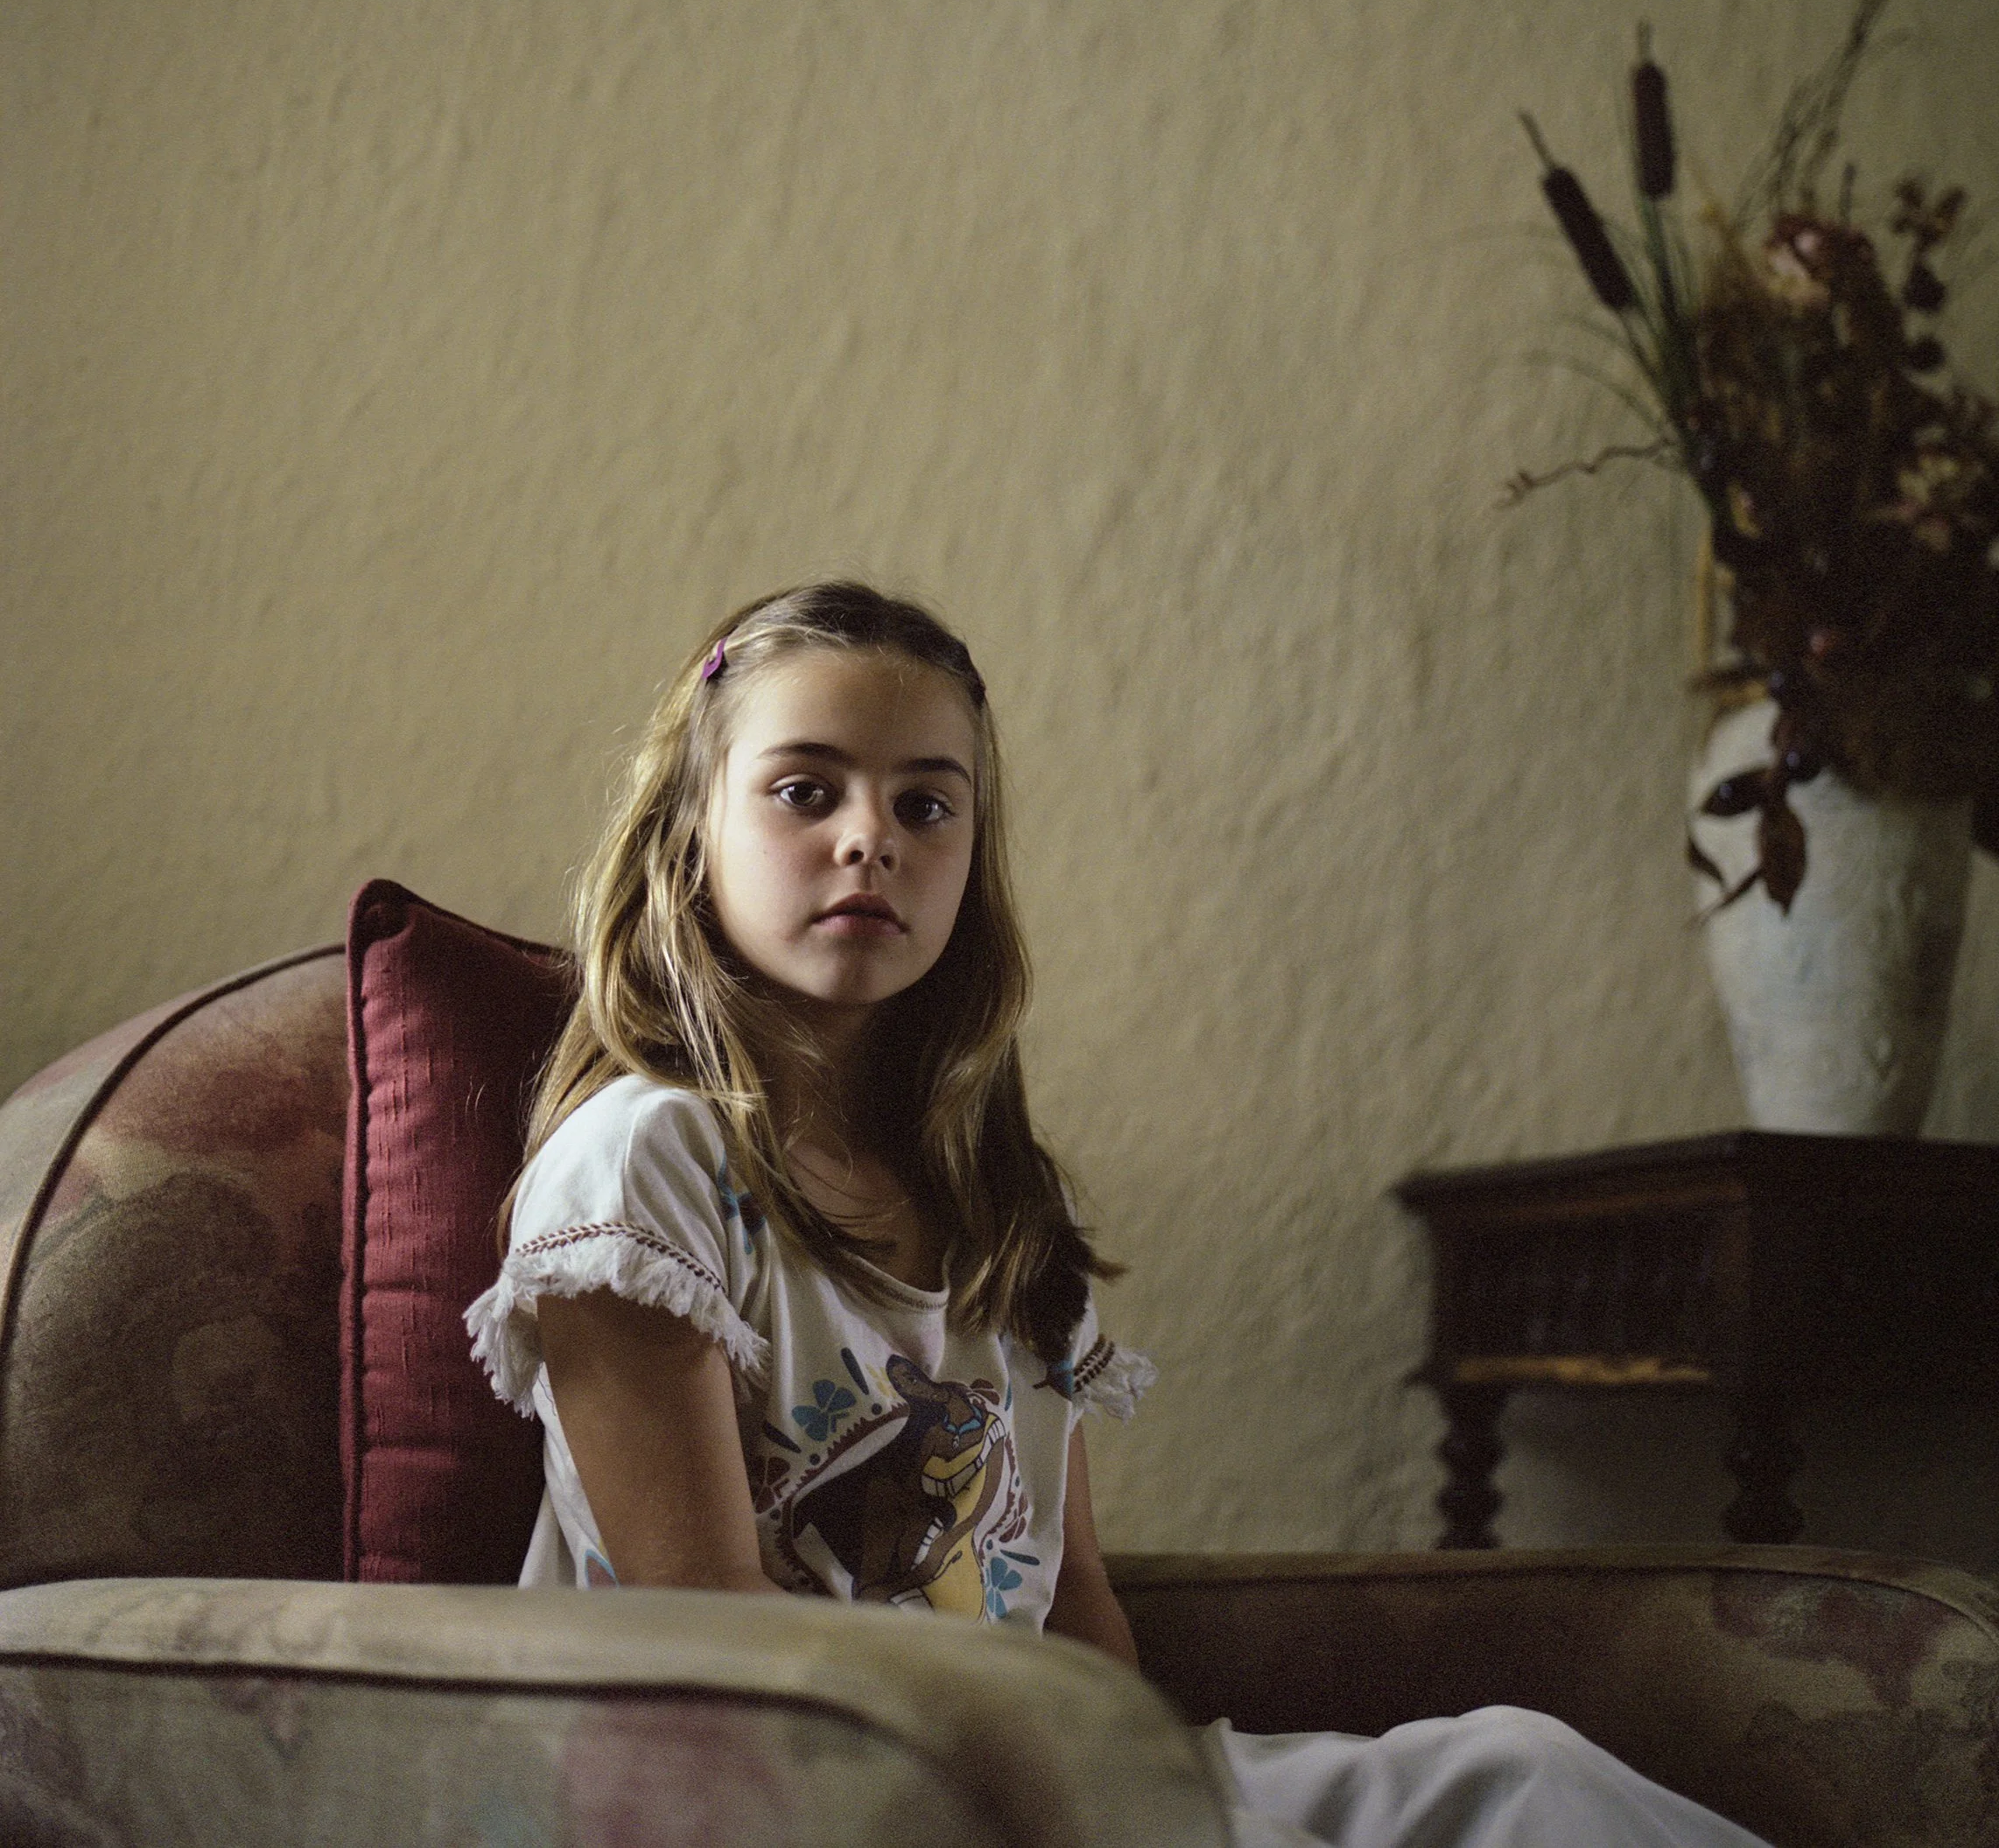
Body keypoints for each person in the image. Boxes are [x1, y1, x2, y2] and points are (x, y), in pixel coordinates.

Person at [466, 579, 1771, 1848]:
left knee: (1526, 1772)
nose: (871, 836)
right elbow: (709, 1630)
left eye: (927, 803)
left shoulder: (998, 1201)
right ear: (691, 829)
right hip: (796, 1794)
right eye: (805, 790)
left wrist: (1127, 1789)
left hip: (1043, 1778)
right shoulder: (647, 1165)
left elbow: (1067, 1589)